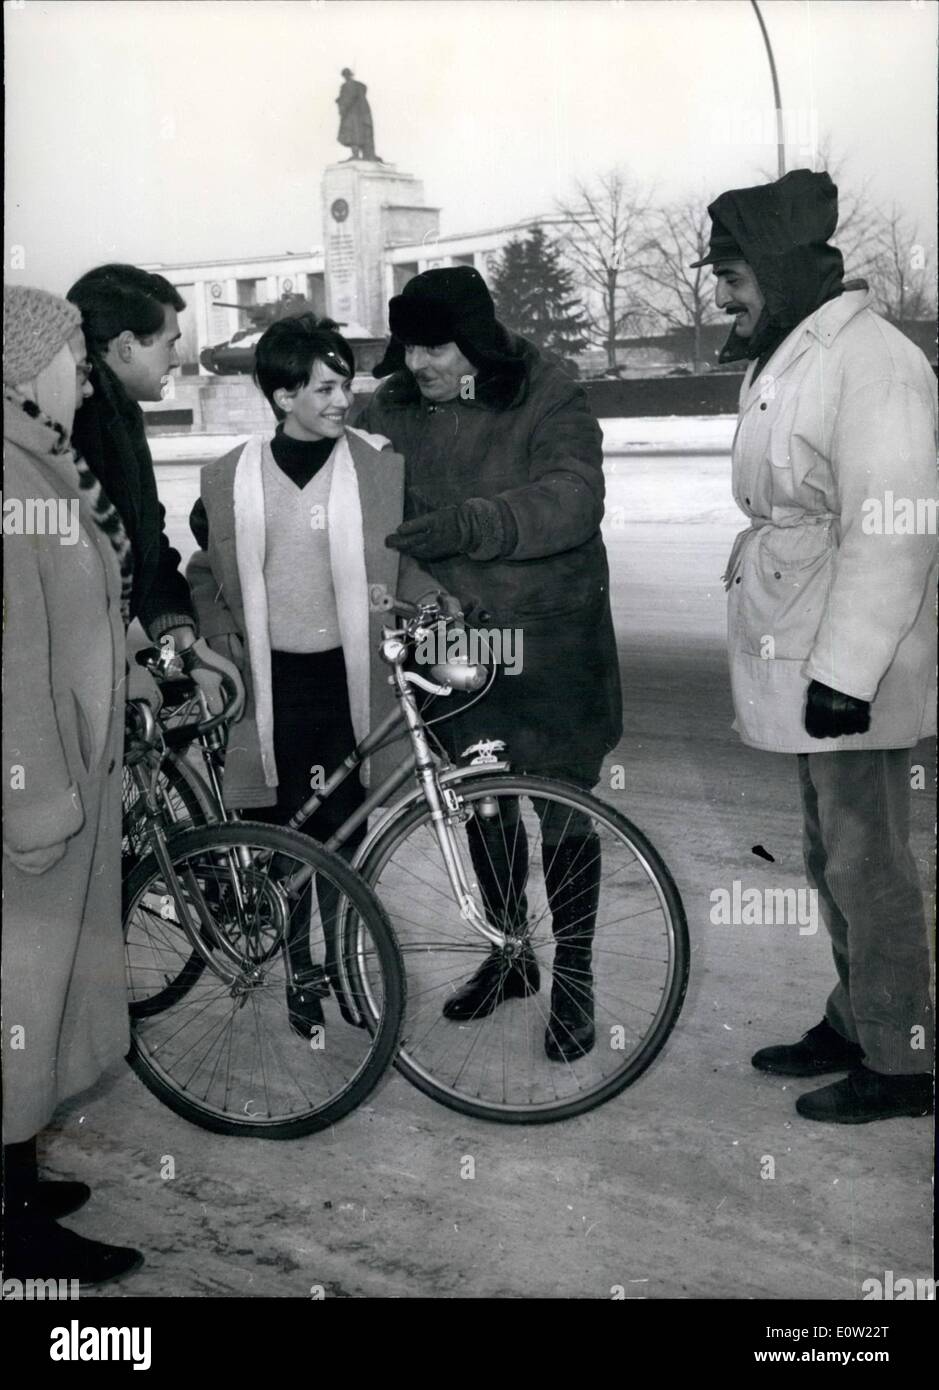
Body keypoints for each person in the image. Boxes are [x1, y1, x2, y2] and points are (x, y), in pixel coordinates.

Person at [692, 168, 936, 1123]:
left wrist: (846, 671)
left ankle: (905, 1058)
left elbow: (895, 525)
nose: (721, 292)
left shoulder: (870, 363)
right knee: (827, 852)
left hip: (851, 655)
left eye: (734, 273)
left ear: (784, 270)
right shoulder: (797, 347)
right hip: (805, 637)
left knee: (867, 862)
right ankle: (858, 1018)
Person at [358, 265, 623, 1061]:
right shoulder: (394, 405)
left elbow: (574, 495)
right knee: (475, 796)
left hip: (549, 637)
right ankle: (510, 955)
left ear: (475, 342)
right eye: (408, 348)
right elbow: (330, 455)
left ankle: (572, 977)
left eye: (437, 347)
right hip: (451, 637)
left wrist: (475, 522)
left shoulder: (548, 389)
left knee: (559, 804)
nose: (421, 365)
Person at [186, 314, 431, 1036]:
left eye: (344, 385)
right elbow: (205, 571)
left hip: (345, 684)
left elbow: (402, 560)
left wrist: (434, 605)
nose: (340, 401)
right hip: (273, 688)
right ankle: (300, 971)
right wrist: (215, 635)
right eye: (324, 387)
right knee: (284, 832)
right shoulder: (231, 478)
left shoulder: (377, 465)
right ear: (283, 394)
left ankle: (346, 967)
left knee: (342, 833)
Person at [2, 286, 142, 1284]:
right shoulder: (12, 473)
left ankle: (15, 1177)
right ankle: (11, 1222)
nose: (82, 369)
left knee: (35, 1004)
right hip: (31, 799)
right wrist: (34, 801)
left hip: (61, 781)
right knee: (15, 1005)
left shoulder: (36, 455)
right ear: (26, 360)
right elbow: (12, 663)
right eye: (72, 352)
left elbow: (91, 607)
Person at [67, 263, 243, 715]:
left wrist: (184, 644)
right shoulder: (81, 423)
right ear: (127, 346)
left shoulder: (117, 415)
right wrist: (115, 674)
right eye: (170, 342)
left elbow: (146, 543)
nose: (176, 358)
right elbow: (67, 575)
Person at [336, 68, 380, 162]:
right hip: (362, 114)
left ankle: (355, 155)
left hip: (352, 114)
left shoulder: (347, 85)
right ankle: (364, 155)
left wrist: (341, 105)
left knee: (353, 134)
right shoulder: (359, 86)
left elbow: (348, 99)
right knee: (360, 134)